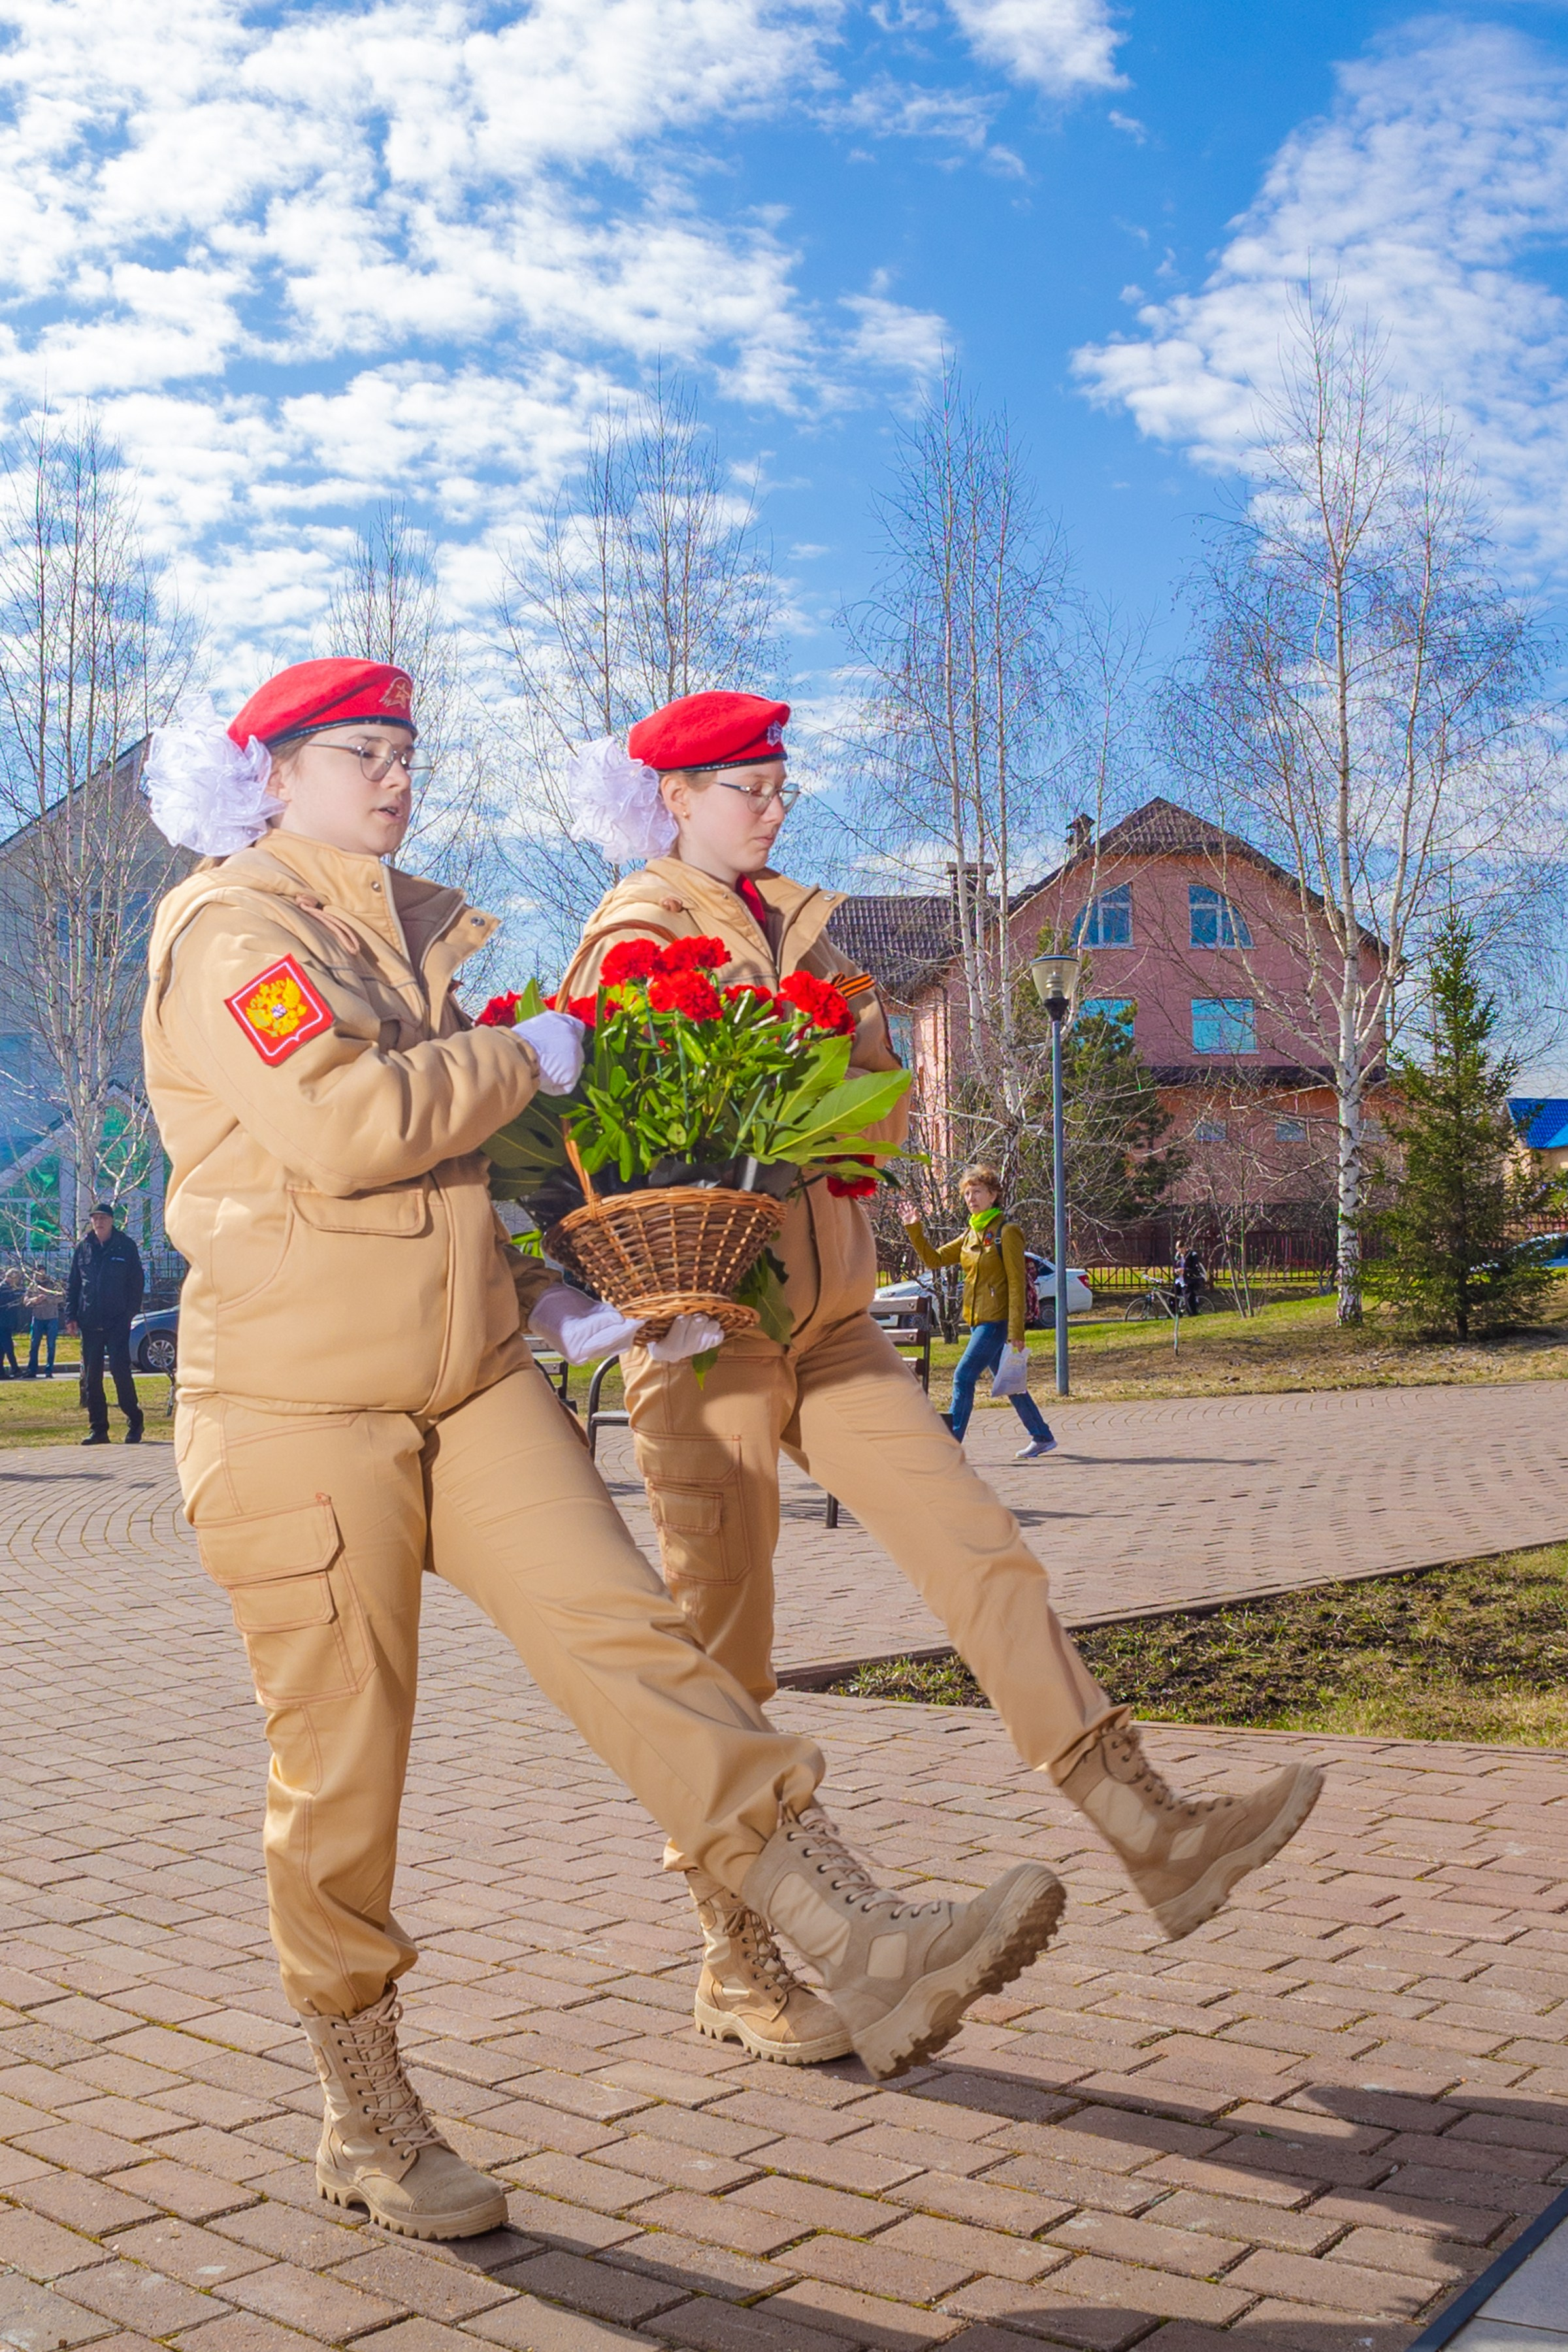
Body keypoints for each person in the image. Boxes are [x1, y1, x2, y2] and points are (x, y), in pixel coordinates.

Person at [136, 659, 1066, 2241]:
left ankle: (852, 1936)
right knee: (343, 1772)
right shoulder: (237, 932)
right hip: (297, 1421)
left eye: (406, 752)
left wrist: (548, 1283)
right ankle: (366, 2109)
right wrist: (528, 1056)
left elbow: (437, 1181)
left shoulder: (393, 932)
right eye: (362, 753)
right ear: (268, 777)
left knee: (638, 1646)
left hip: (469, 1381)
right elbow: (346, 1128)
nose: (396, 777)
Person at [557, 690, 1323, 2066]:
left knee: (981, 1548)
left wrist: (834, 1070)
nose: (774, 802)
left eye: (781, 781)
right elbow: (646, 1132)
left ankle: (1147, 1824)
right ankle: (735, 1955)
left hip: (836, 1323)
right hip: (714, 1331)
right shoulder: (636, 933)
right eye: (747, 784)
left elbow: (872, 1099)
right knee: (725, 1658)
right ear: (674, 798)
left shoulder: (803, 921)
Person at [904, 1166, 1057, 1460]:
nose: (970, 1197)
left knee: (963, 1376)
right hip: (977, 1321)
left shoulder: (1007, 1232)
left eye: (977, 1191)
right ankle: (1042, 1436)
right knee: (1009, 1382)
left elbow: (1015, 1283)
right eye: (966, 1192)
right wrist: (914, 1228)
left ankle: (949, 1447)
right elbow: (933, 1259)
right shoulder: (970, 1234)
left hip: (997, 1321)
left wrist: (1016, 1332)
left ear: (993, 1195)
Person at [67, 1205, 144, 1443]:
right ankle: (99, 1429)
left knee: (121, 1373)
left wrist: (129, 1313)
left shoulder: (125, 1246)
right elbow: (74, 1284)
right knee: (92, 1379)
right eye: (95, 1218)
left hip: (117, 1322)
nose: (99, 1222)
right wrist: (71, 1316)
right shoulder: (83, 1248)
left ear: (111, 1221)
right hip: (90, 1323)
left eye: (103, 1218)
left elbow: (137, 1283)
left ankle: (135, 1422)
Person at [25, 1269, 63, 1377]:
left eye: (42, 1273)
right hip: (38, 1318)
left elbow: (62, 1297)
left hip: (52, 1317)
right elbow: (26, 1301)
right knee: (34, 1345)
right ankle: (32, 1370)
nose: (40, 1276)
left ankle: (49, 1370)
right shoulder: (33, 1286)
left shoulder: (53, 1285)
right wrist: (35, 1300)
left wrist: (47, 1299)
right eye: (38, 1273)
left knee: (51, 1345)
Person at [0, 1271, 22, 1378]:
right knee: (8, 1347)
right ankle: (15, 1369)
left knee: (2, 1348)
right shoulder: (4, 1289)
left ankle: (1, 1371)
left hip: (5, 1322)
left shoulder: (6, 1288)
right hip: (3, 1323)